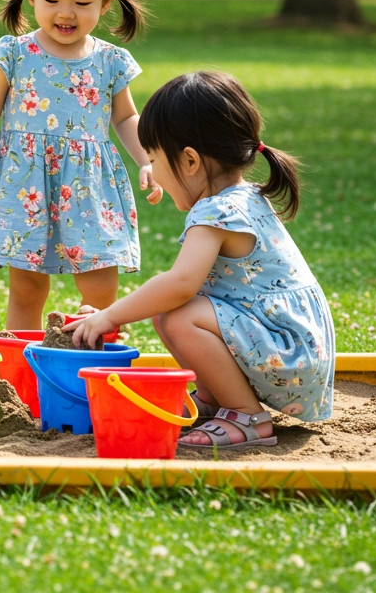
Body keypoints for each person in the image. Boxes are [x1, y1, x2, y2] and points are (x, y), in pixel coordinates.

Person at [67, 71, 334, 450]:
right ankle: (214, 402)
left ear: (190, 161)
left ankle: (247, 418)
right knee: (173, 313)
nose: (153, 171)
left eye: (155, 159)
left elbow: (179, 284)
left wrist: (110, 315)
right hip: (295, 347)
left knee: (179, 314)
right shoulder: (246, 197)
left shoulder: (216, 212)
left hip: (287, 355)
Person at [0, 0, 161, 329]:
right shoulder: (14, 53)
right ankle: (20, 374)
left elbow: (125, 116)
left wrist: (147, 159)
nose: (66, 13)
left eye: (83, 1)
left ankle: (97, 363)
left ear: (107, 1)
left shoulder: (110, 60)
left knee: (100, 286)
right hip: (24, 186)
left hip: (88, 186)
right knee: (27, 288)